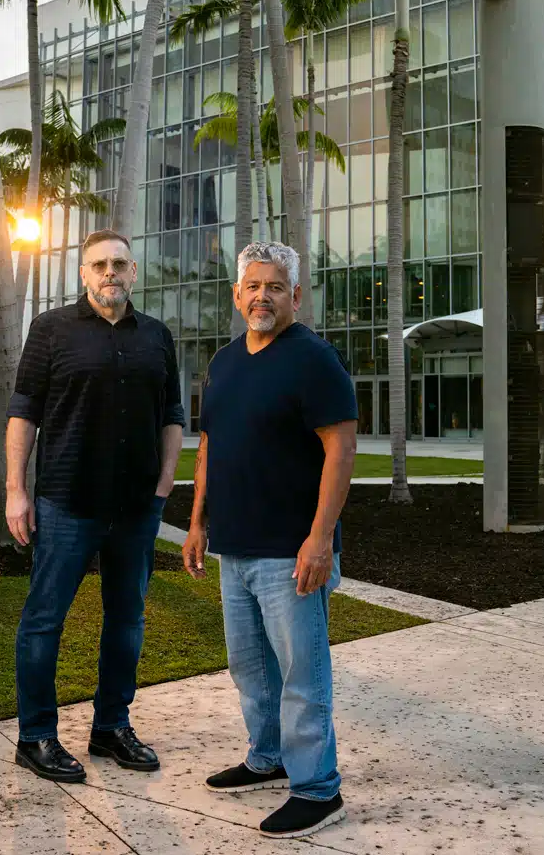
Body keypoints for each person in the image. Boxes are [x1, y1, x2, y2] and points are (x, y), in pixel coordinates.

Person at [182, 241, 358, 839]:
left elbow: (341, 447)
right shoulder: (226, 362)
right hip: (235, 545)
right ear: (237, 295)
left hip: (291, 550)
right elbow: (210, 446)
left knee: (302, 673)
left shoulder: (312, 359)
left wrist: (319, 539)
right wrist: (198, 521)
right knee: (251, 667)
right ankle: (267, 758)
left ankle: (317, 789)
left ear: (296, 296)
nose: (263, 296)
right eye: (253, 286)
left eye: (275, 286)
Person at [6, 228, 185, 783]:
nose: (110, 273)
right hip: (66, 502)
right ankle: (36, 737)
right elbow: (24, 413)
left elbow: (172, 416)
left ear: (134, 273)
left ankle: (111, 727)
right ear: (84, 274)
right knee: (44, 621)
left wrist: (163, 487)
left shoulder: (157, 336)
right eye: (99, 265)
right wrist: (16, 490)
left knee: (127, 620)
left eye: (120, 264)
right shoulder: (52, 330)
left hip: (136, 508)